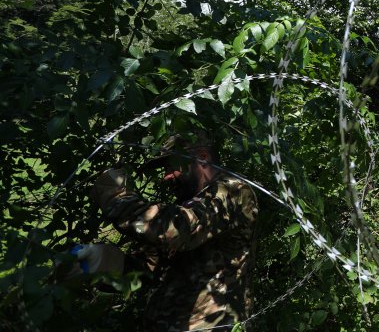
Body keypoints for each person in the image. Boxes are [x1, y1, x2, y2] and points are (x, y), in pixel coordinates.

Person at [87, 134, 258, 331]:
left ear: (202, 158)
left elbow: (175, 231)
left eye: (172, 166)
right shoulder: (192, 205)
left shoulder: (233, 193)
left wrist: (116, 197)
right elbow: (152, 268)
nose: (166, 176)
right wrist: (104, 265)